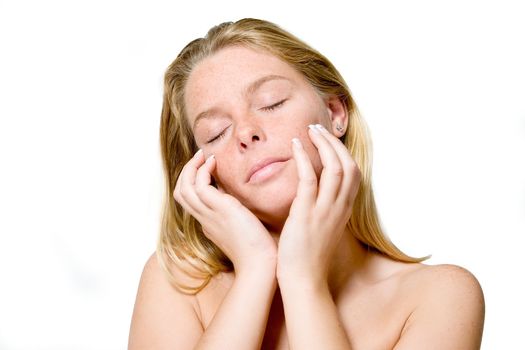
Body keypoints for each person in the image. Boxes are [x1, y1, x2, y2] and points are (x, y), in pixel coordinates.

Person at [128, 18, 485, 349]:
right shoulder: (176, 283)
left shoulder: (439, 295)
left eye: (272, 103)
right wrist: (256, 270)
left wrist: (302, 279)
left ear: (335, 114)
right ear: (202, 171)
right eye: (216, 132)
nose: (246, 132)